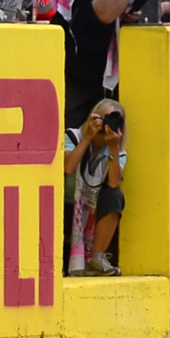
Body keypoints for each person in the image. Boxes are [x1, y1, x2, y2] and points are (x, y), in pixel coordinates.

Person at [64, 0, 155, 133]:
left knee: (111, 135)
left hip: (109, 67)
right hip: (79, 64)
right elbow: (105, 13)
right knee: (71, 133)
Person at [63, 99, 127, 276]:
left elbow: (114, 183)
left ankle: (96, 260)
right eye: (103, 118)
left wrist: (113, 148)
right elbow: (68, 168)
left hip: (92, 210)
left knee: (115, 196)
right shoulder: (73, 136)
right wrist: (88, 137)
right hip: (66, 205)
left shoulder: (118, 151)